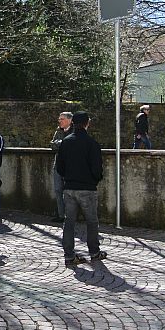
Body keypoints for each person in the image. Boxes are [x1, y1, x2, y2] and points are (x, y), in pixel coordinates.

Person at [55, 111, 107, 267]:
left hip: (69, 187)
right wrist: (93, 180)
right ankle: (94, 252)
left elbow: (59, 167)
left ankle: (69, 255)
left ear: (73, 124)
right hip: (87, 188)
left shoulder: (66, 142)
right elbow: (97, 169)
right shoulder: (92, 143)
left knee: (69, 222)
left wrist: (68, 178)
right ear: (87, 124)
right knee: (92, 222)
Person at [50, 112, 74, 223]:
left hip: (70, 167)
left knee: (70, 192)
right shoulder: (58, 131)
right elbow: (52, 145)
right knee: (58, 190)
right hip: (58, 165)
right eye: (59, 119)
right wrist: (62, 143)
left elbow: (72, 146)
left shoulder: (75, 131)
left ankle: (70, 216)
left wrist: (60, 143)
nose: (59, 121)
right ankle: (61, 215)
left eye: (62, 119)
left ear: (69, 120)